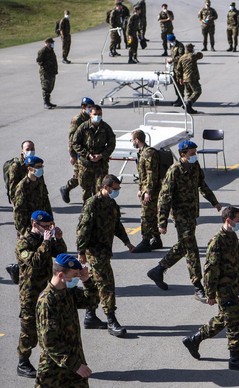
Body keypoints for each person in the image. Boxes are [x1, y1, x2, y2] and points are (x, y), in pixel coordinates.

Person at [182, 207, 239, 371]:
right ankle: (235, 358)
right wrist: (210, 294)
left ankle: (194, 340)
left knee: (224, 318)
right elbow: (210, 270)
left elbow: (237, 259)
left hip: (232, 286)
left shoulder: (232, 236)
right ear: (228, 221)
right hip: (223, 289)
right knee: (236, 321)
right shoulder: (217, 242)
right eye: (238, 220)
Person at [147, 141, 221, 299]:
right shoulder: (174, 171)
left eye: (195, 153)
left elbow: (203, 185)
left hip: (192, 213)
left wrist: (214, 201)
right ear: (183, 154)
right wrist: (162, 222)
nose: (194, 156)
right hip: (180, 215)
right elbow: (164, 198)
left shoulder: (195, 166)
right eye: (191, 153)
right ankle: (198, 285)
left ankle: (158, 270)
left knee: (184, 246)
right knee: (191, 247)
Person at [77, 174, 134, 337]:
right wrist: (81, 251)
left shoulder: (112, 203)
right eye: (115, 189)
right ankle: (111, 320)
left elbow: (117, 225)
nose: (117, 191)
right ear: (106, 187)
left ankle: (90, 315)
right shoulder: (92, 204)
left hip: (105, 250)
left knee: (95, 283)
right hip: (94, 251)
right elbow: (83, 229)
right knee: (107, 284)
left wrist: (127, 242)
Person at [15, 211, 67, 379]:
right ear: (34, 224)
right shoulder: (24, 243)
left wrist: (57, 238)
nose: (48, 229)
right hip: (30, 292)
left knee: (50, 325)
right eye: (45, 227)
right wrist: (45, 241)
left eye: (50, 226)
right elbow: (35, 262)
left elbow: (60, 256)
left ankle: (53, 360)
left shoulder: (46, 238)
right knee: (29, 329)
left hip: (47, 290)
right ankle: (23, 361)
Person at [35, 254, 96, 387]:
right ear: (61, 275)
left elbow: (91, 302)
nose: (76, 278)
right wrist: (75, 365)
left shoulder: (67, 292)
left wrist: (86, 280)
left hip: (74, 360)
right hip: (54, 369)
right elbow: (49, 342)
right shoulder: (47, 302)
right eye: (75, 275)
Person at [72, 105, 116, 202]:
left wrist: (102, 155)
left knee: (101, 190)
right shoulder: (83, 127)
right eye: (95, 114)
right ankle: (87, 210)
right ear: (90, 114)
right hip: (86, 165)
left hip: (101, 165)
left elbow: (111, 144)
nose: (97, 116)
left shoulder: (106, 128)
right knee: (86, 190)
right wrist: (87, 155)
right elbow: (75, 143)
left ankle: (99, 211)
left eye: (99, 114)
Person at [131, 130, 163, 253]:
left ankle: (145, 241)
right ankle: (156, 239)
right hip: (146, 188)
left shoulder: (148, 153)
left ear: (137, 140)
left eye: (132, 140)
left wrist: (148, 191)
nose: (132, 142)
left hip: (152, 190)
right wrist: (141, 189)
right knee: (151, 215)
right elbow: (142, 175)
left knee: (146, 215)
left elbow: (151, 173)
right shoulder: (142, 152)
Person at [60, 97, 94, 204]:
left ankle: (66, 188)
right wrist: (72, 155)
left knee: (82, 175)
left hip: (88, 152)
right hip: (79, 152)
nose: (91, 110)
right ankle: (66, 188)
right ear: (83, 107)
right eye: (89, 107)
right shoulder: (77, 120)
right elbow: (71, 139)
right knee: (81, 176)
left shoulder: (91, 117)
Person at [13, 156, 52, 237]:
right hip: (28, 227)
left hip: (41, 224)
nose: (41, 168)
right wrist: (24, 232)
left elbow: (45, 200)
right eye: (38, 167)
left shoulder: (39, 181)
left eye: (41, 166)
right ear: (30, 169)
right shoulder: (22, 187)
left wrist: (50, 221)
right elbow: (18, 213)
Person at [174, 44, 204, 114]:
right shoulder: (192, 56)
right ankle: (188, 103)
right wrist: (197, 53)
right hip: (192, 77)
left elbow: (178, 69)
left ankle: (189, 108)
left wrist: (180, 78)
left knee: (189, 93)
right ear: (191, 49)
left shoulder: (182, 57)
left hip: (185, 78)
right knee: (197, 91)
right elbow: (201, 56)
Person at [6, 140, 36, 205]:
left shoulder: (36, 164)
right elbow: (13, 193)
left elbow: (42, 190)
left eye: (32, 149)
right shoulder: (16, 167)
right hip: (23, 208)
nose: (30, 151)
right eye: (27, 149)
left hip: (37, 205)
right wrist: (28, 177)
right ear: (22, 151)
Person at [36, 38, 58, 109]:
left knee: (50, 87)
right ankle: (45, 103)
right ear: (47, 43)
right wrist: (46, 66)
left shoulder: (51, 50)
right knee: (46, 87)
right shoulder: (43, 51)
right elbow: (39, 61)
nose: (52, 44)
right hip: (45, 73)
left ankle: (48, 102)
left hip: (51, 72)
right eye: (51, 43)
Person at [166, 34, 186, 106]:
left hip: (179, 68)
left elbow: (181, 56)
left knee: (179, 84)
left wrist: (173, 59)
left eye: (170, 41)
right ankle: (178, 98)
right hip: (174, 67)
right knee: (175, 84)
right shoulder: (172, 45)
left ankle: (181, 99)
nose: (170, 42)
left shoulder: (180, 46)